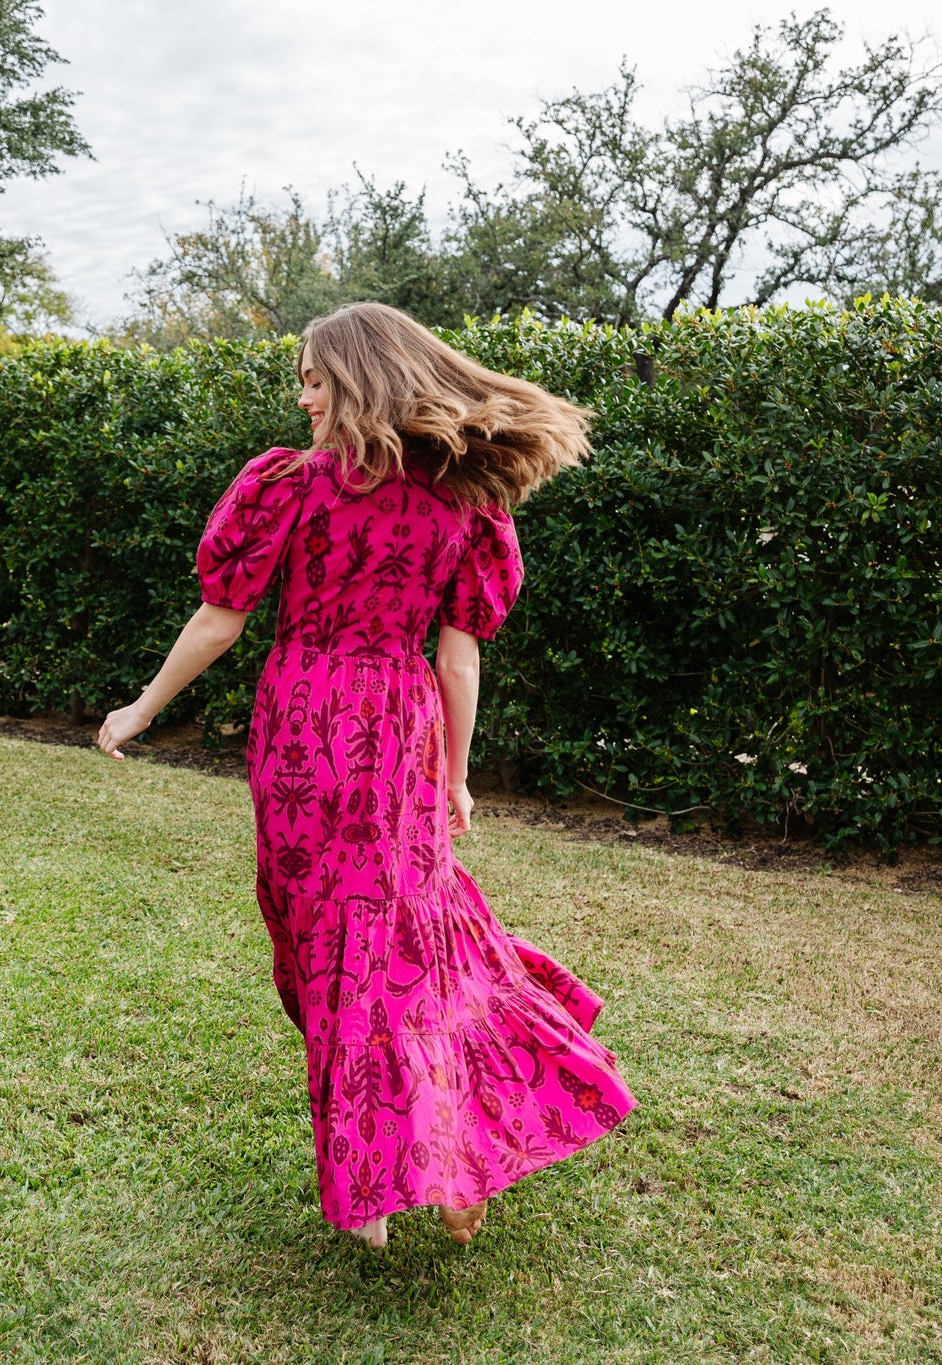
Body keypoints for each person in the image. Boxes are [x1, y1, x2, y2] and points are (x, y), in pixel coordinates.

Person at [96, 302, 634, 1250]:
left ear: (358, 378)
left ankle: (397, 1169)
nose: (302, 396)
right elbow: (458, 657)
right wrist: (457, 774)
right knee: (406, 934)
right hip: (399, 731)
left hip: (306, 724)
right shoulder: (466, 503)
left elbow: (221, 618)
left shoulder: (288, 487)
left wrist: (143, 707)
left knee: (334, 943)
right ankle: (445, 1147)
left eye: (312, 377)